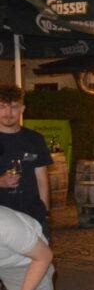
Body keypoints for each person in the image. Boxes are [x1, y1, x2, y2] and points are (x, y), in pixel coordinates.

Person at [0, 85, 53, 233]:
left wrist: (45, 214)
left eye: (14, 107)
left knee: (42, 249)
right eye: (2, 107)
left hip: (32, 217)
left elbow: (42, 180)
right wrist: (1, 182)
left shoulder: (35, 139)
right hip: (2, 221)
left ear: (22, 109)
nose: (8, 113)